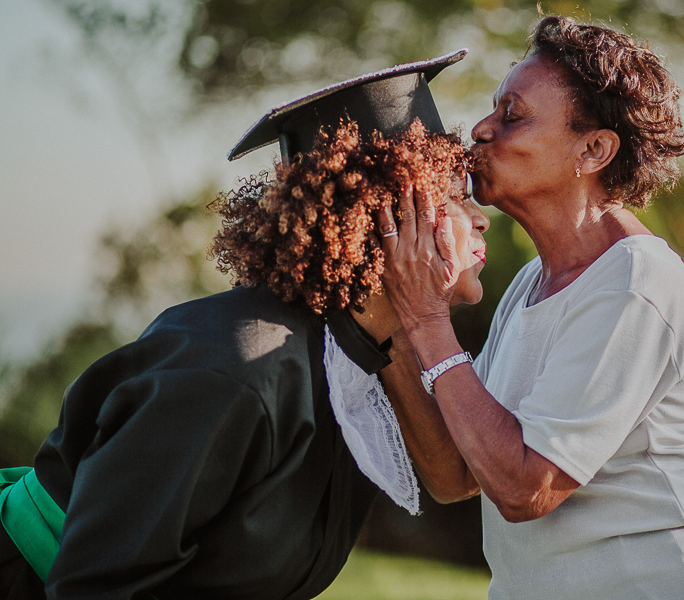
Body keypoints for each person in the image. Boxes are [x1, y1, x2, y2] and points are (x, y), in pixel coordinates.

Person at [0, 51, 490, 600]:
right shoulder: (240, 367)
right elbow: (98, 586)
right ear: (382, 213)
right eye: (454, 196)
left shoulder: (360, 362)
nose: (480, 217)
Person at [377, 16, 684, 599]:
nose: (480, 130)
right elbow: (458, 474)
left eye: (513, 115)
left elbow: (526, 488)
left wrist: (429, 323)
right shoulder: (532, 283)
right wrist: (392, 328)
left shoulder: (636, 284)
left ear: (593, 148)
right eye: (492, 110)